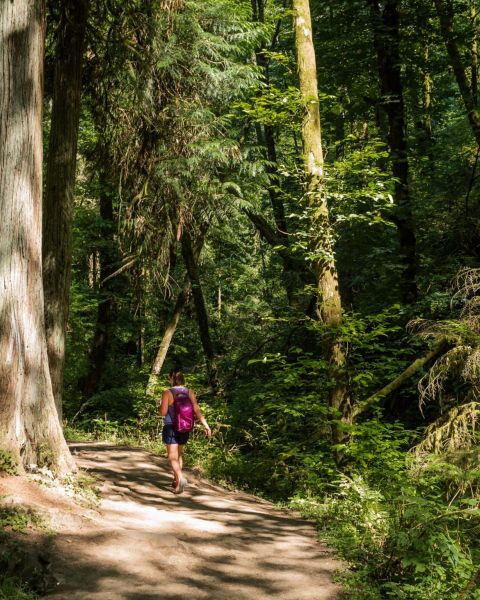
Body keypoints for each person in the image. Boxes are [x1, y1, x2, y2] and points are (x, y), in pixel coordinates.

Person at [159, 368, 211, 494]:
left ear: (172, 378)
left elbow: (163, 413)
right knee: (179, 455)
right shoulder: (190, 392)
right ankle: (177, 481)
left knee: (172, 457)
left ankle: (180, 479)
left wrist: (160, 404)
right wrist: (206, 425)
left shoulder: (167, 392)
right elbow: (197, 410)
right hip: (185, 427)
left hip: (171, 427)